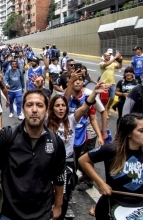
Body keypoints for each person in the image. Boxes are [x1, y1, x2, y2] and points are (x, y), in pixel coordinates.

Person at [0, 89, 66, 220]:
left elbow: (59, 176)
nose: (34, 110)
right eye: (29, 105)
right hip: (8, 213)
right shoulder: (9, 134)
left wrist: (58, 205)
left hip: (42, 213)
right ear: (23, 109)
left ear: (47, 110)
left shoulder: (56, 142)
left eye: (40, 105)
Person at [46, 81, 108, 220]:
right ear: (52, 108)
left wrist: (94, 93)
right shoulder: (46, 121)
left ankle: (62, 213)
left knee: (65, 193)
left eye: (63, 105)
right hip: (48, 162)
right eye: (57, 106)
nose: (61, 108)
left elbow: (85, 106)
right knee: (48, 192)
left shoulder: (72, 120)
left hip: (67, 162)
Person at [79, 113, 143, 219]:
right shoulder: (112, 149)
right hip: (113, 205)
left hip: (138, 207)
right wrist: (100, 183)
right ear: (129, 133)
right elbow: (83, 160)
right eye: (141, 131)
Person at [99, 51, 123, 118]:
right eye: (107, 55)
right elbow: (107, 64)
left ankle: (108, 107)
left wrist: (120, 60)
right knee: (106, 98)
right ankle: (105, 111)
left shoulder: (113, 64)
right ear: (104, 56)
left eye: (109, 56)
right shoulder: (101, 63)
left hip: (112, 83)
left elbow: (119, 67)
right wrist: (115, 57)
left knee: (112, 97)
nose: (108, 56)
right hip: (104, 83)